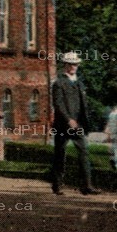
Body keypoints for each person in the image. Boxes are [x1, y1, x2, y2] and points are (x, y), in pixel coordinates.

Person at [49, 52, 100, 195]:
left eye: (76, 64)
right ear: (65, 65)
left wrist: (83, 121)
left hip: (78, 125)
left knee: (84, 153)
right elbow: (58, 104)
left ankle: (87, 186)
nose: (73, 67)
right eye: (71, 64)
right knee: (60, 154)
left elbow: (83, 106)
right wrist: (68, 119)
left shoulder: (79, 83)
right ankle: (57, 185)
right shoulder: (59, 83)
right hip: (63, 125)